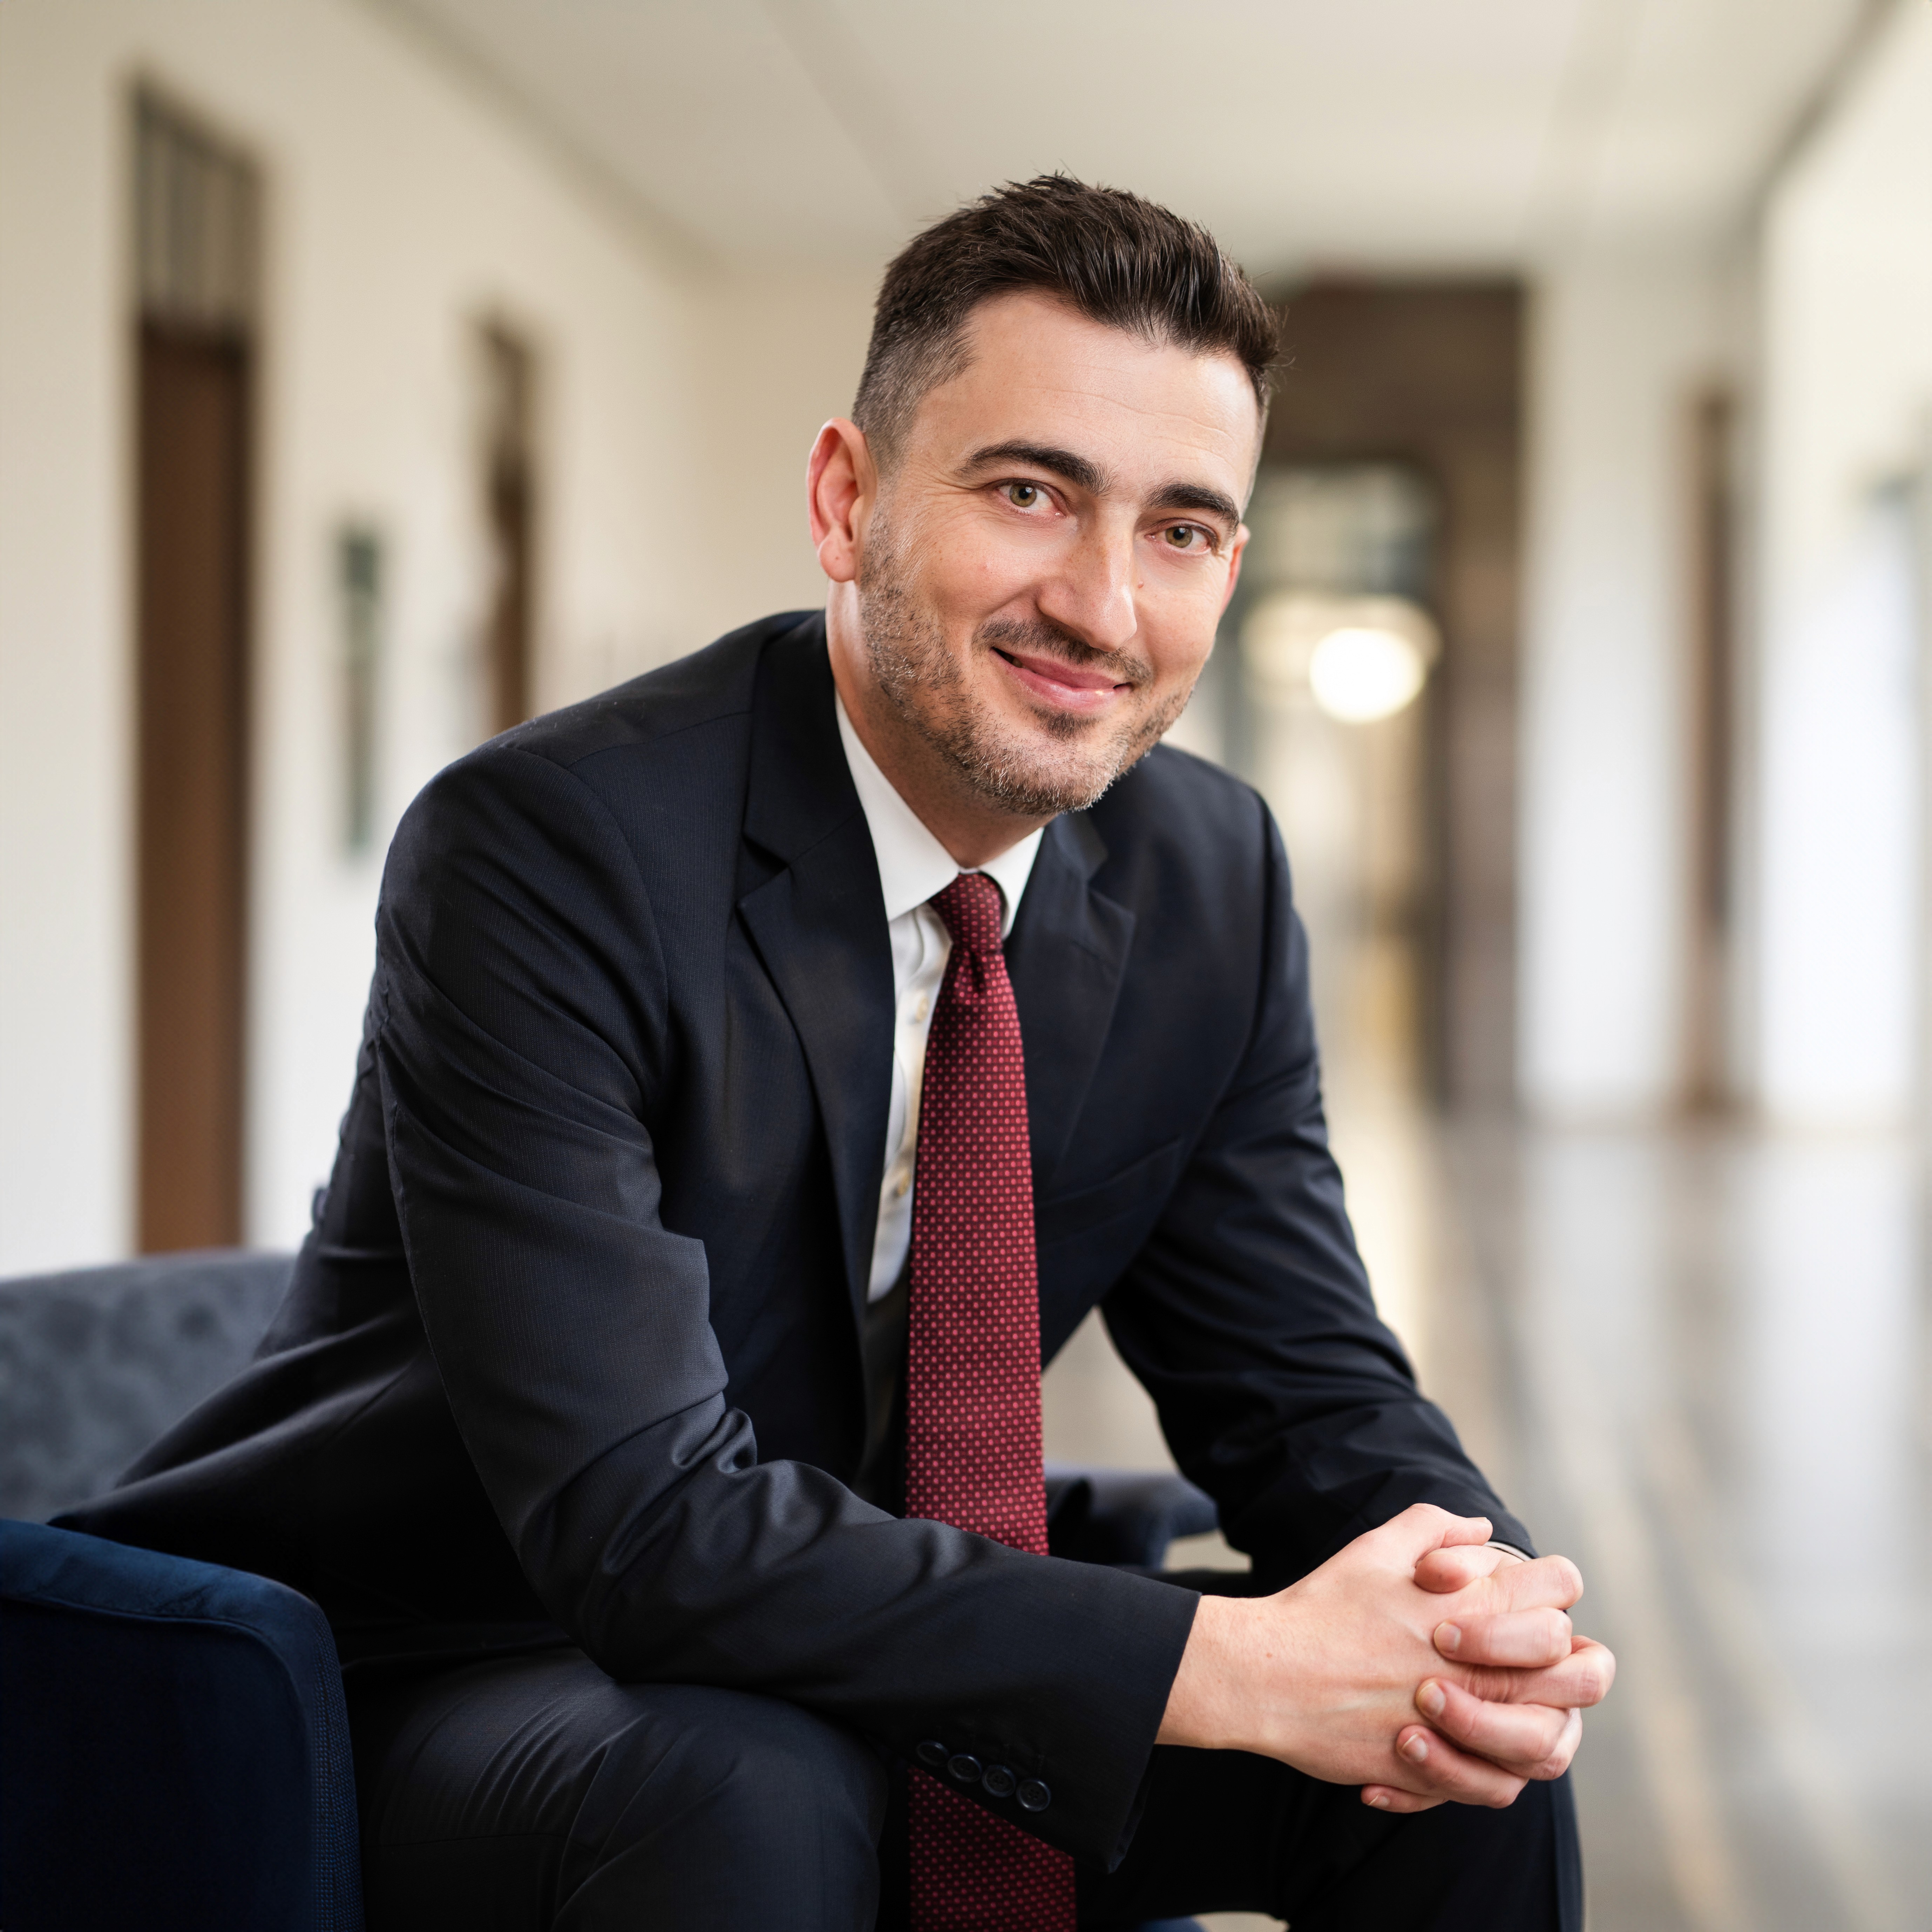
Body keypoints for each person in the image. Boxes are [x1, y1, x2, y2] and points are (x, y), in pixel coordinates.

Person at [69, 175, 1612, 1930]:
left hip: (895, 1634)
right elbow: (638, 1526)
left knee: (1446, 1759)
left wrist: (1471, 1607)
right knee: (748, 1778)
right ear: (845, 496)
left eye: (1181, 528)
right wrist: (1229, 1662)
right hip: (477, 1658)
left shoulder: (1211, 875)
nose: (1103, 604)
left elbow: (1303, 1381)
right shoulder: (545, 851)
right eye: (1031, 492)